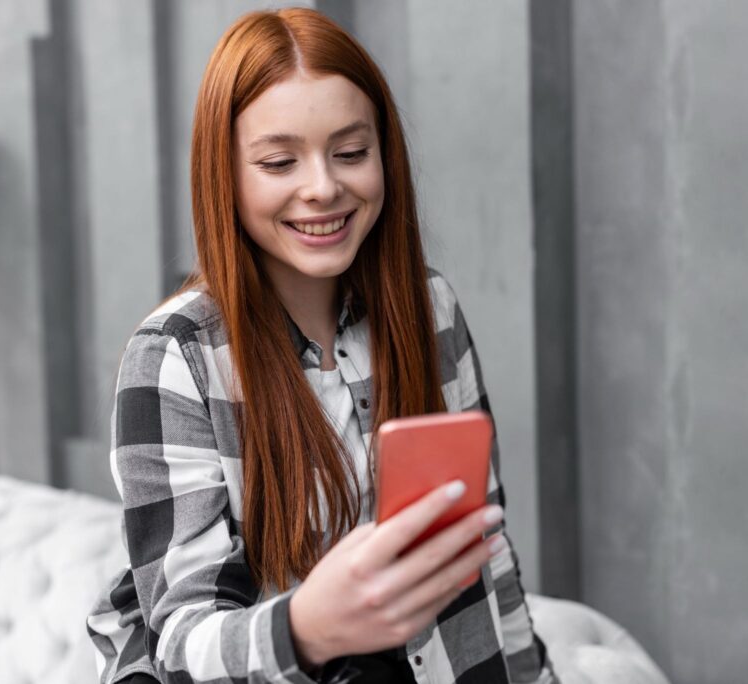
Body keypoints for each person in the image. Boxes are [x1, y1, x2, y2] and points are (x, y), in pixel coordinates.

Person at [87, 7, 555, 684]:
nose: (322, 187)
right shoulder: (173, 357)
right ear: (226, 174)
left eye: (351, 152)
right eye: (279, 161)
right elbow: (183, 640)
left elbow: (482, 548)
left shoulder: (429, 308)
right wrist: (306, 625)